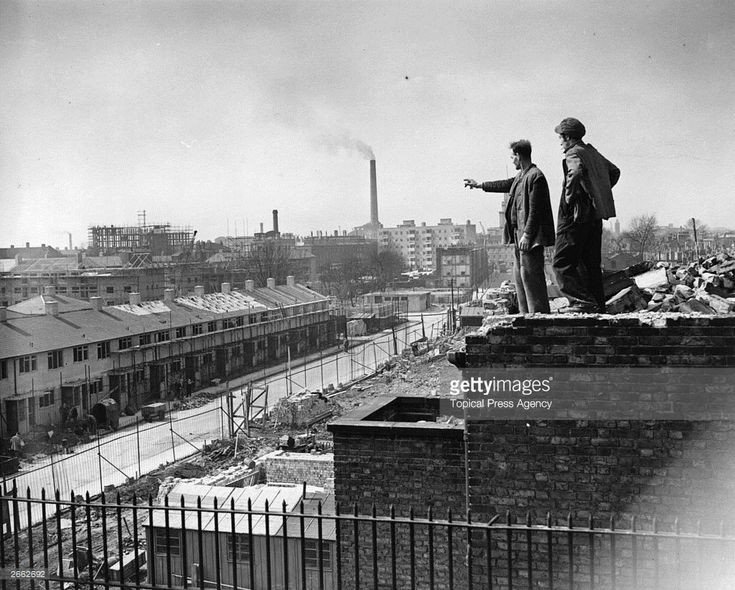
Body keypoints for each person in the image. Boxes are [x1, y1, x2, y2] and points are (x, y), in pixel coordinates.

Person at [465, 139, 555, 313]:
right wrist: (479, 185)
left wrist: (528, 234)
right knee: (520, 277)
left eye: (512, 156)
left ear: (519, 156)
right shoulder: (522, 176)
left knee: (531, 276)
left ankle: (539, 315)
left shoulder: (536, 177)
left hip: (530, 237)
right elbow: (504, 184)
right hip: (518, 235)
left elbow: (536, 211)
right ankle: (525, 315)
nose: (512, 160)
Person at [553, 117, 620, 313]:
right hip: (594, 216)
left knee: (562, 262)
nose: (560, 141)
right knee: (590, 262)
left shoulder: (573, 152)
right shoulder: (592, 152)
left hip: (575, 216)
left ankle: (581, 302)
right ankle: (597, 305)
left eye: (561, 137)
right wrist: (597, 192)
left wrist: (569, 196)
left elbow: (574, 173)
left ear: (568, 137)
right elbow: (614, 172)